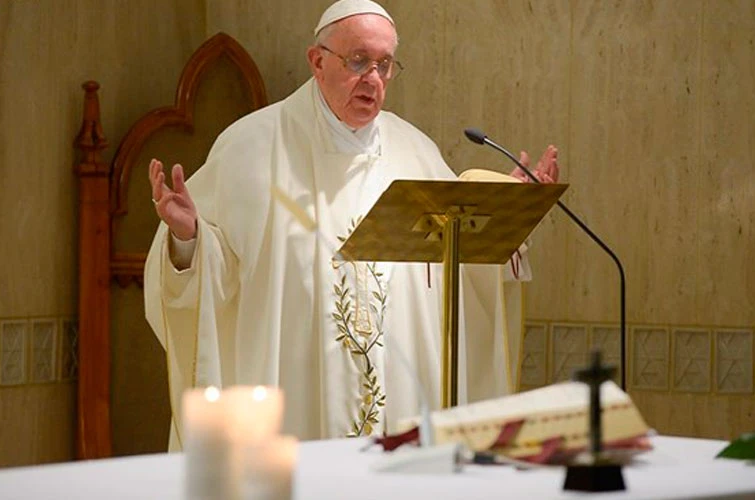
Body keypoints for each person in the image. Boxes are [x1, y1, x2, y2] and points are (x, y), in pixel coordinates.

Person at [144, 0, 559, 450]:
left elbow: (461, 274)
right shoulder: (252, 147)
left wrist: (507, 215)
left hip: (401, 398)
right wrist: (188, 239)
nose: (374, 79)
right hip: (292, 402)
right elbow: (214, 281)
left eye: (385, 65)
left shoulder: (415, 152)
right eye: (358, 61)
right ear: (317, 61)